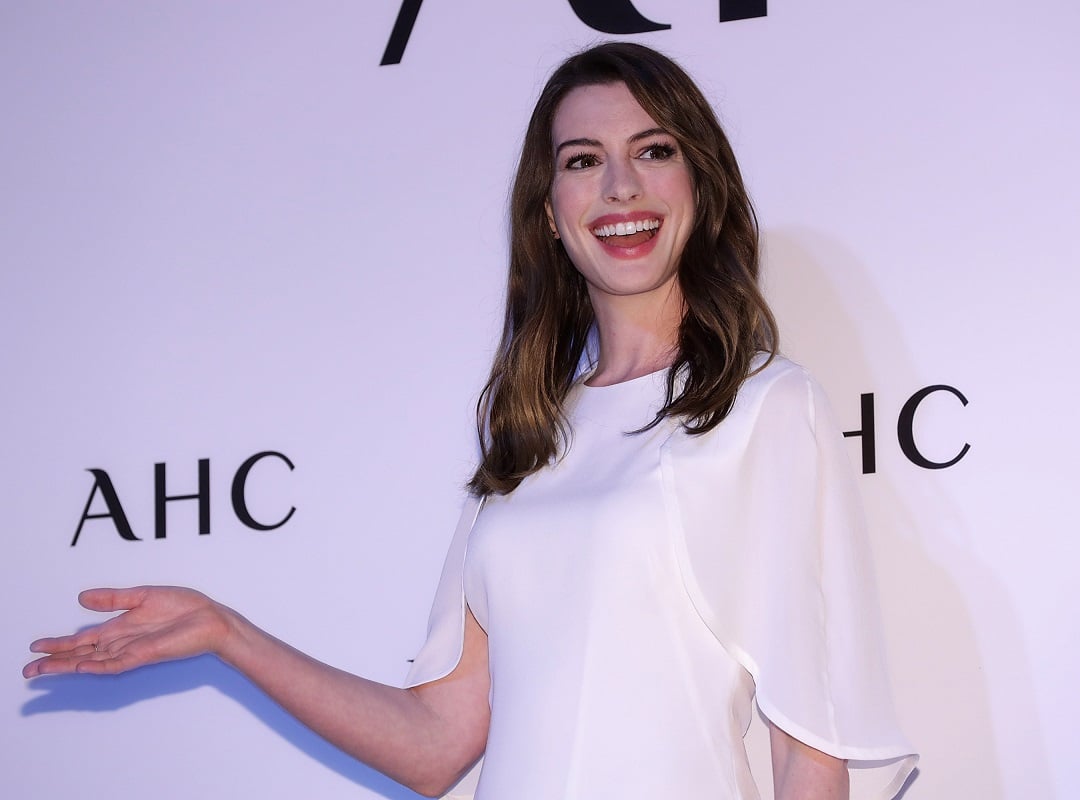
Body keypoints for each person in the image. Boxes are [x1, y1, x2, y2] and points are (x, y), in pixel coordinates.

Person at [24, 42, 916, 799]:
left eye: (653, 149)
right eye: (581, 160)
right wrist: (228, 631)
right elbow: (435, 739)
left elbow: (812, 746)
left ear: (700, 183)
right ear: (551, 214)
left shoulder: (762, 406)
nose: (618, 186)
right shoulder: (529, 442)